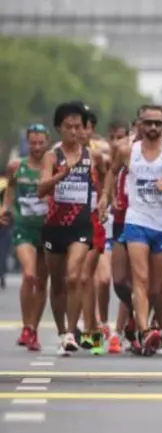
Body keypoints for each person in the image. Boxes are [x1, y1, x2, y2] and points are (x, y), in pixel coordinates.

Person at [99, 104, 162, 355]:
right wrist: (106, 197)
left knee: (155, 287)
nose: (154, 127)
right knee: (140, 279)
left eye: (159, 123)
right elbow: (112, 173)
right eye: (149, 123)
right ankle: (145, 331)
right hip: (136, 221)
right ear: (140, 125)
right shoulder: (127, 151)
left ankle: (145, 325)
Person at [38, 101, 104, 356]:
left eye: (78, 127)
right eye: (69, 127)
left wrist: (106, 199)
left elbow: (107, 175)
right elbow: (41, 189)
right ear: (59, 128)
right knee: (57, 284)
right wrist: (59, 176)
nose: (75, 132)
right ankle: (60, 329)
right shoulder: (51, 157)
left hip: (81, 224)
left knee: (74, 277)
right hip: (55, 226)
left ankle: (70, 332)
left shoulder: (92, 156)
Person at [1, 124, 50, 351]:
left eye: (41, 142)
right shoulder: (16, 167)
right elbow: (10, 190)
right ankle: (26, 326)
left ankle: (34, 329)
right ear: (27, 143)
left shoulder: (52, 166)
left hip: (47, 229)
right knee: (29, 275)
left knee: (41, 281)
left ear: (47, 142)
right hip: (23, 227)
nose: (37, 147)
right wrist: (5, 208)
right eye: (33, 142)